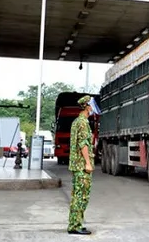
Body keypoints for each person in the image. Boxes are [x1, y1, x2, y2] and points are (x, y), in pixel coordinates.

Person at [67, 95, 100, 235]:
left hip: (76, 165)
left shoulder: (76, 121)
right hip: (81, 166)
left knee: (77, 195)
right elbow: (83, 144)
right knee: (81, 196)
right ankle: (75, 226)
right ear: (86, 106)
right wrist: (88, 162)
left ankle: (76, 223)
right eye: (91, 105)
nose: (92, 108)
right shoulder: (83, 123)